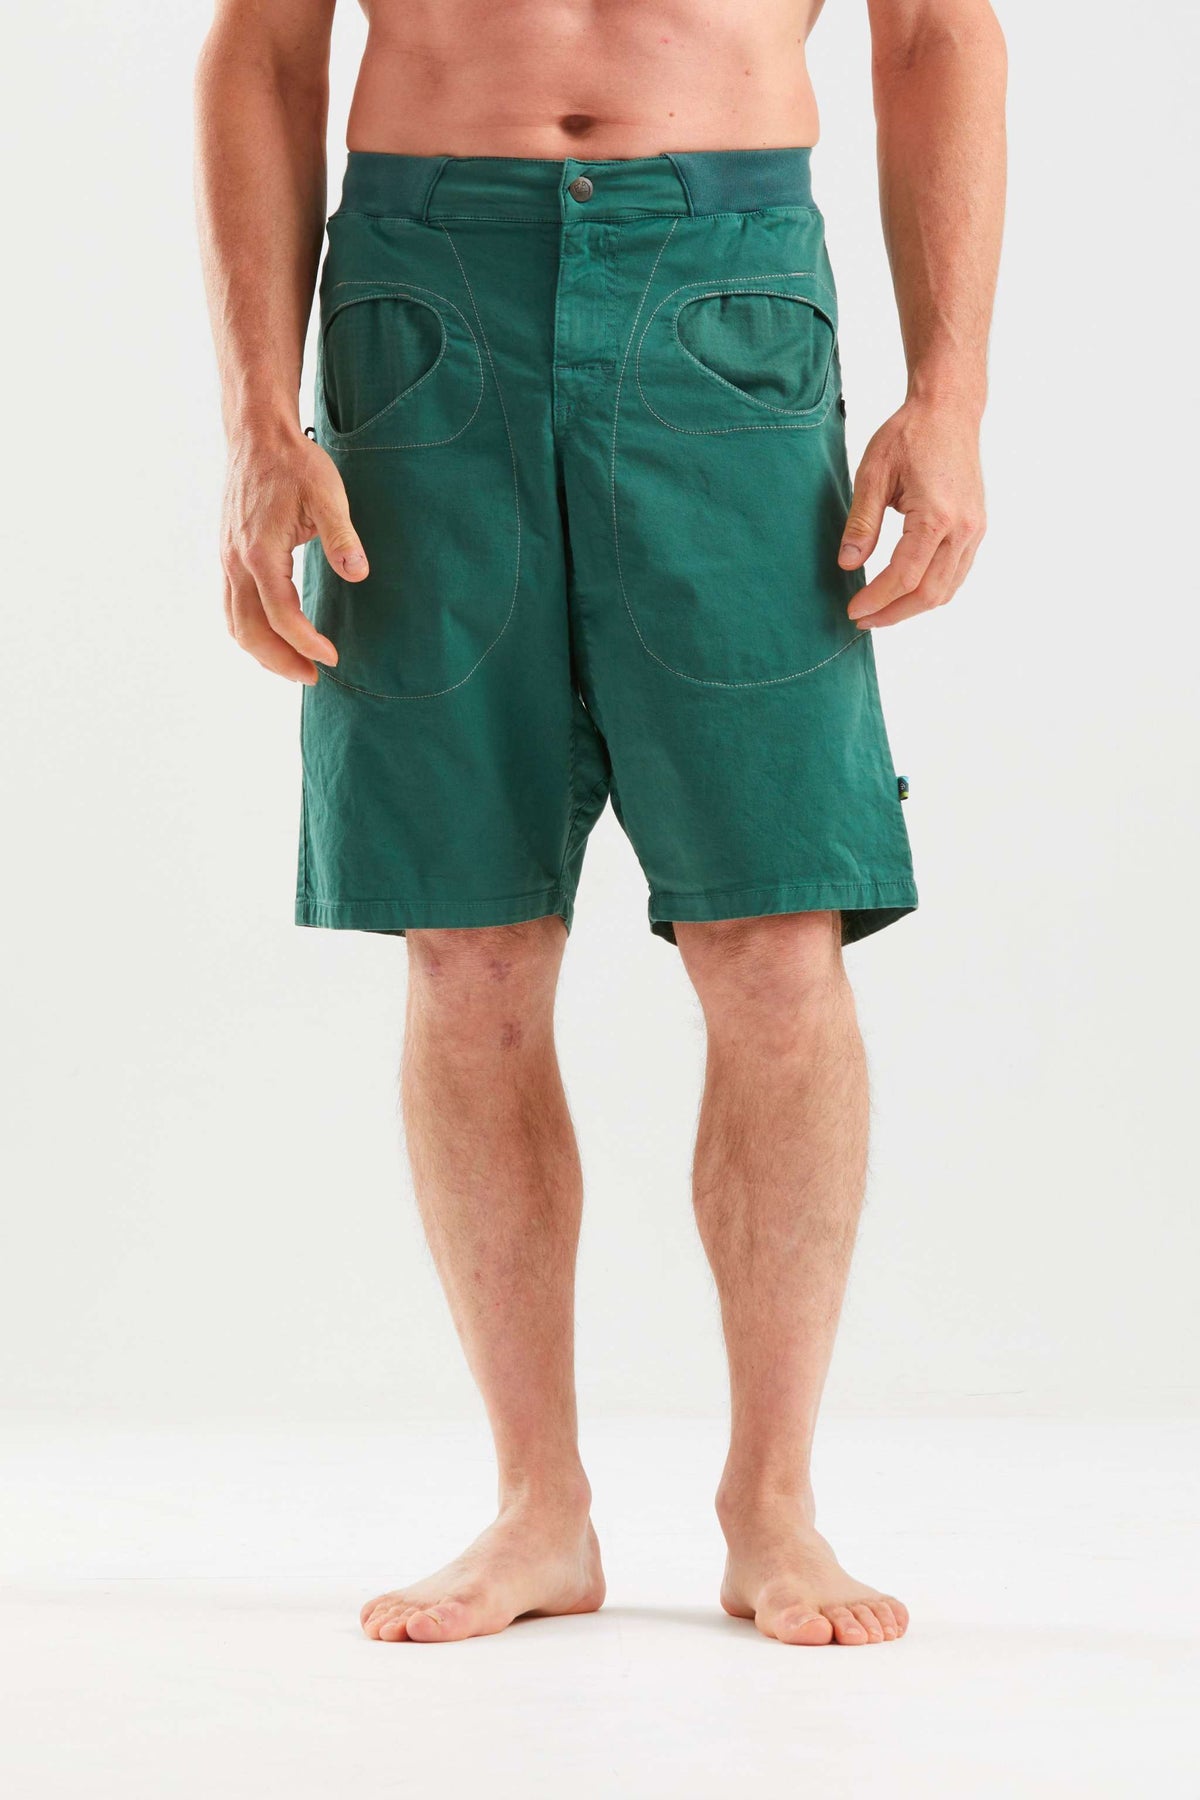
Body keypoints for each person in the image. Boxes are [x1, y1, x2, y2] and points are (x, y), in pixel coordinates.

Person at [195, 0, 1006, 1647]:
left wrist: (951, 395)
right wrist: (256, 423)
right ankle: (536, 1507)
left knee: (774, 932)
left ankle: (774, 1504)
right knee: (469, 942)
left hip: (726, 275)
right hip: (424, 284)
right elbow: (264, 49)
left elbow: (935, 32)